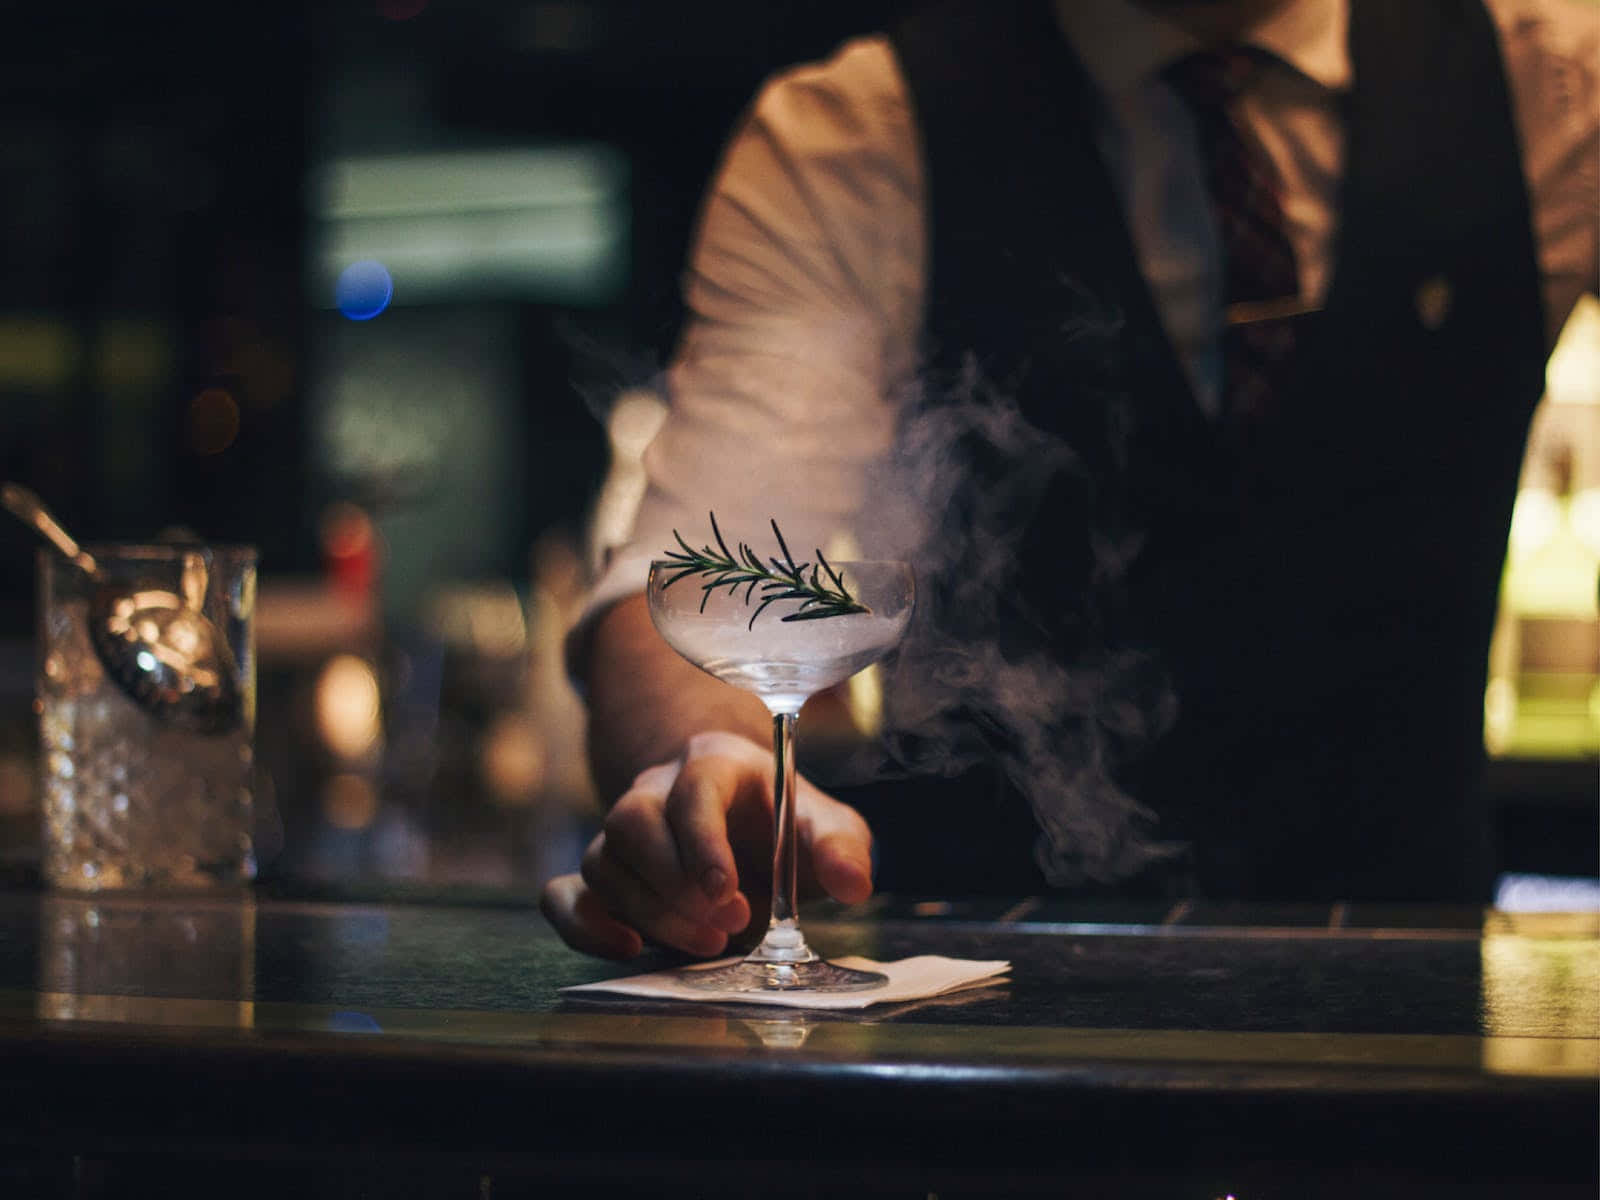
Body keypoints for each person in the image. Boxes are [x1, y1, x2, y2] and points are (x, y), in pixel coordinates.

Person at [542, 0, 1600, 960]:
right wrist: (710, 770)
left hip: (1418, 1014)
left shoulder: (1558, 83)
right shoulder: (857, 137)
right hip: (984, 1025)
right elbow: (710, 562)